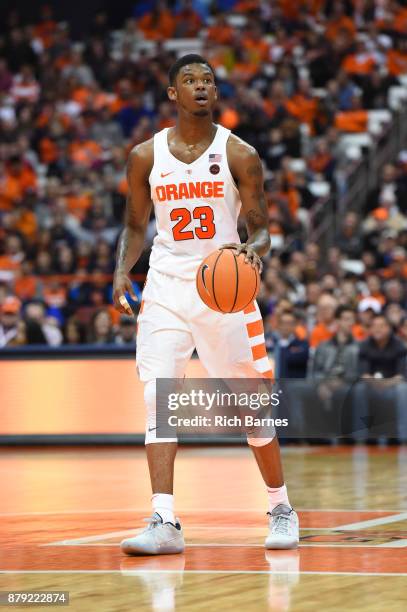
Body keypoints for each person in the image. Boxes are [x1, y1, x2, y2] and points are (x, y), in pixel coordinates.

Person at [112, 54, 299, 555]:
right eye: (190, 81)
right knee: (158, 395)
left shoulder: (240, 154)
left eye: (208, 80)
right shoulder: (144, 156)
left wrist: (250, 252)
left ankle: (281, 506)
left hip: (223, 286)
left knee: (250, 406)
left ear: (215, 92)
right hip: (167, 284)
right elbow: (135, 226)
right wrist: (120, 273)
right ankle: (164, 520)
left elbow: (260, 230)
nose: (201, 86)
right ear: (172, 93)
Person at [354, 314, 407, 442]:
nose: (377, 329)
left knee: (403, 389)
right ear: (370, 329)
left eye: (381, 326)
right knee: (359, 389)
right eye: (374, 326)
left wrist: (385, 384)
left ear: (389, 328)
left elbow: (401, 375)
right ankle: (360, 436)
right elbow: (363, 374)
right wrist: (375, 383)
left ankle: (403, 435)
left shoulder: (399, 345)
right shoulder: (364, 345)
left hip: (392, 386)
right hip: (371, 386)